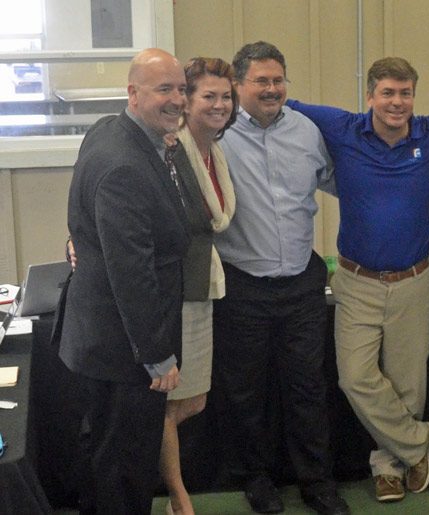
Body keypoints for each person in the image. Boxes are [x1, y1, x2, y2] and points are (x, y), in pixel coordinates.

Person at [286, 57, 429, 503]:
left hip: (414, 281)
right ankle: (419, 445)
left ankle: (389, 466)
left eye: (405, 93)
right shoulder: (342, 128)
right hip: (356, 281)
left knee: (407, 384)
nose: (396, 102)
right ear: (370, 95)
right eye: (387, 93)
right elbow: (282, 100)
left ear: (413, 97)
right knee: (355, 377)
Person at [212, 41, 349, 515]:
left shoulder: (308, 132)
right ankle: (258, 479)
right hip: (242, 286)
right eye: (260, 81)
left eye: (278, 80)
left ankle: (317, 481)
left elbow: (339, 182)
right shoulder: (217, 136)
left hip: (301, 283)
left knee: (308, 387)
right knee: (247, 389)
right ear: (237, 85)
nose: (271, 90)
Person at [59, 48, 190, 514]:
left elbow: (85, 222)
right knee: (123, 472)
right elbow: (132, 274)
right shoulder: (126, 167)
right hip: (125, 352)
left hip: (103, 343)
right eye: (164, 90)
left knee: (109, 464)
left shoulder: (108, 131)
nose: (177, 99)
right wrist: (157, 356)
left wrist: (81, 243)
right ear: (132, 94)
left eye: (181, 88)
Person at [160, 57, 237, 515]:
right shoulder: (171, 152)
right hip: (176, 292)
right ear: (185, 101)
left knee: (194, 400)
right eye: (208, 95)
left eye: (226, 96)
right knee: (171, 405)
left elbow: (216, 221)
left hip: (202, 286)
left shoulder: (214, 150)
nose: (220, 104)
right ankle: (178, 499)